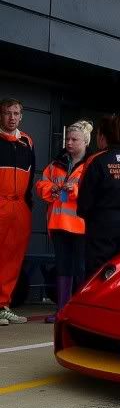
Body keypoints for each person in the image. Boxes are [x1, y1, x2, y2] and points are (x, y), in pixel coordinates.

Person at [78, 114, 120, 278]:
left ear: (102, 137)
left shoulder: (96, 161)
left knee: (98, 272)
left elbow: (85, 198)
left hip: (102, 224)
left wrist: (86, 215)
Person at [36, 120, 92, 322]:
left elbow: (96, 193)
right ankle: (62, 310)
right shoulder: (56, 163)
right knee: (63, 267)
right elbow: (41, 184)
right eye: (67, 138)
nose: (69, 142)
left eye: (74, 139)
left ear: (85, 142)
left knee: (81, 268)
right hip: (58, 224)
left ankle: (80, 309)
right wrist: (51, 189)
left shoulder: (91, 165)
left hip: (80, 226)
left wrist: (75, 190)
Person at [0, 97, 34, 325]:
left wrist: (27, 206)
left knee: (12, 258)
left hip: (19, 206)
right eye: (7, 113)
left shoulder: (27, 141)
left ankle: (3, 306)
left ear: (21, 116)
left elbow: (31, 177)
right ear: (0, 115)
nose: (11, 118)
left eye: (15, 113)